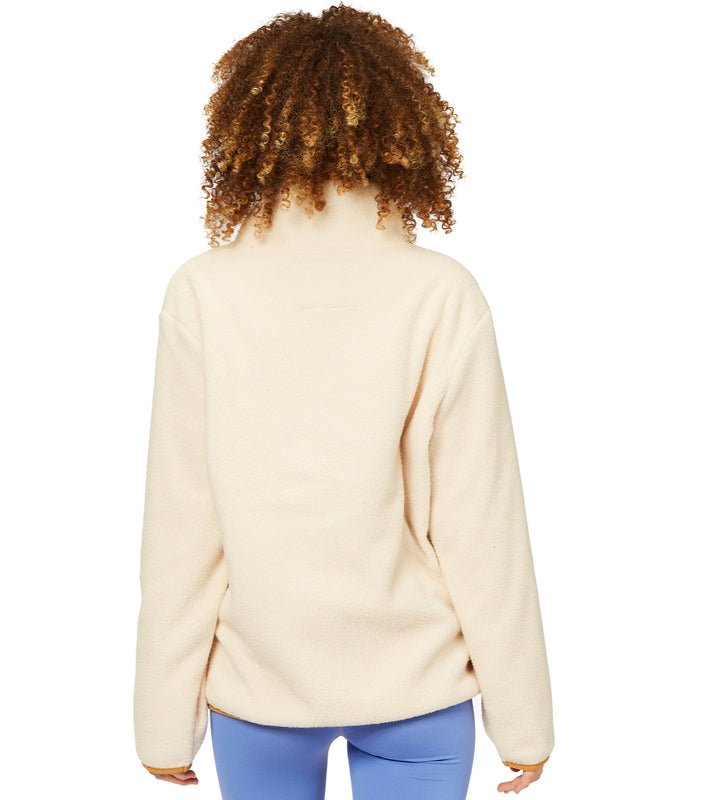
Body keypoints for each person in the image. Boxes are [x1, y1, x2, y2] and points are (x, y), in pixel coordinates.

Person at [133, 4, 554, 798]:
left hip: (258, 689)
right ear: (405, 130)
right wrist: (525, 721)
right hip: (419, 688)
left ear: (248, 129)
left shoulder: (203, 291)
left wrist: (161, 720)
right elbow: (483, 527)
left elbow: (181, 529)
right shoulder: (440, 293)